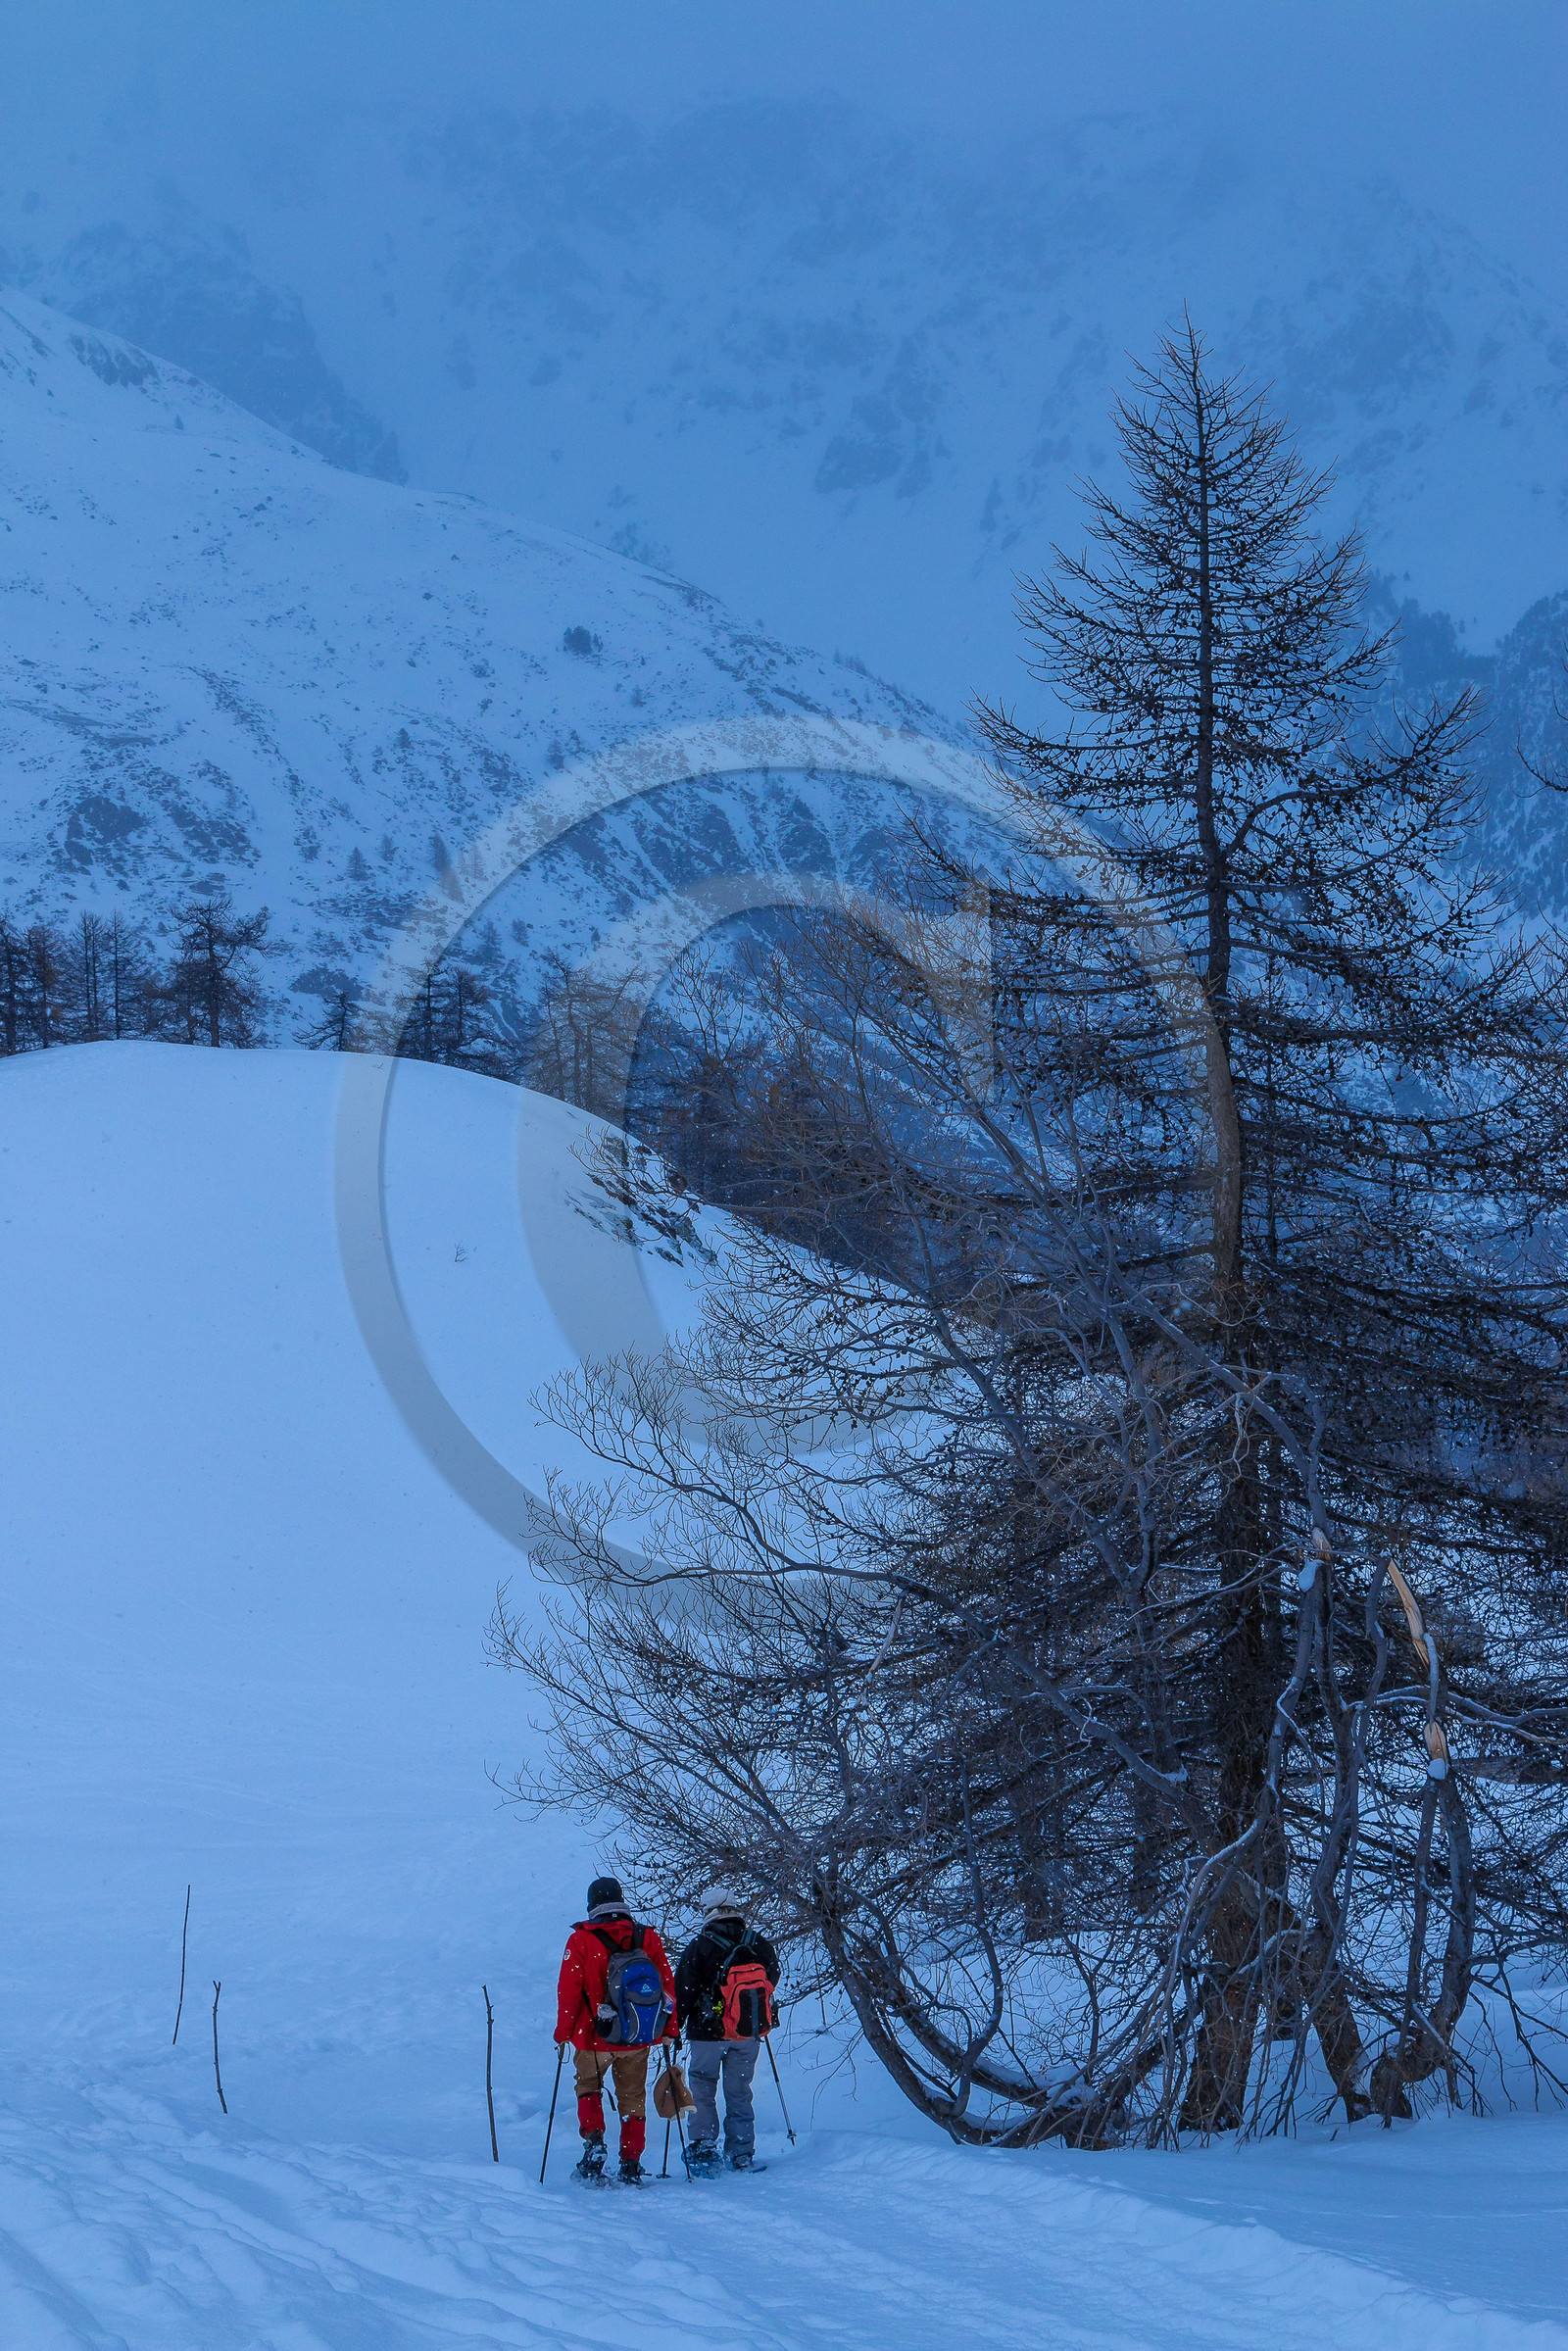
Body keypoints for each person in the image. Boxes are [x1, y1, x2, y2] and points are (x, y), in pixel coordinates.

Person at [555, 1875, 677, 2183]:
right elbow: (666, 1988)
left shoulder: (581, 1940)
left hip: (594, 2035)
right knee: (633, 2097)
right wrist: (668, 2029)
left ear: (592, 1905)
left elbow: (569, 1992)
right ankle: (631, 2161)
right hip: (638, 2034)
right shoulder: (647, 1937)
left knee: (588, 2087)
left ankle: (594, 2144)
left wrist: (563, 2033)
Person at [673, 1886, 781, 2176]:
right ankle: (741, 2152)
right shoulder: (757, 1943)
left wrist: (675, 2025)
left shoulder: (700, 1946)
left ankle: (705, 2147)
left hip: (707, 2033)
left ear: (708, 1912)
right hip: (748, 2032)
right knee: (739, 2090)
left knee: (702, 2084)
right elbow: (773, 1976)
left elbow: (683, 1990)